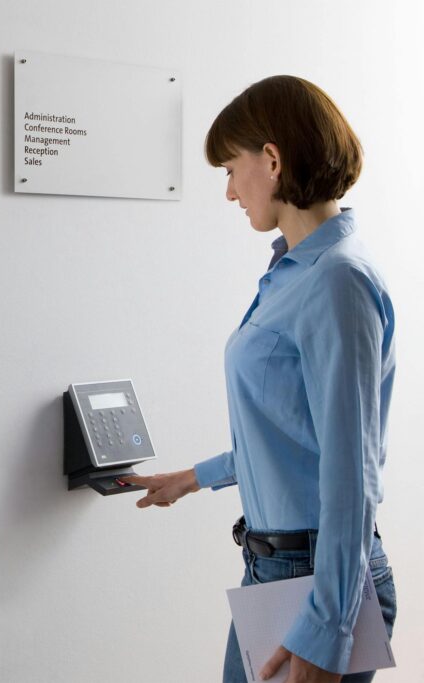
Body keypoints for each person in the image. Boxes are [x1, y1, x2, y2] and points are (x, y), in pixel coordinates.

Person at [124, 76, 396, 683]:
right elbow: (294, 434)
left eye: (229, 168)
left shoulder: (336, 281)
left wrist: (327, 633)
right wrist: (194, 478)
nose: (228, 192)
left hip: (318, 582)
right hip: (277, 570)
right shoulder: (292, 274)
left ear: (271, 160)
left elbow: (351, 474)